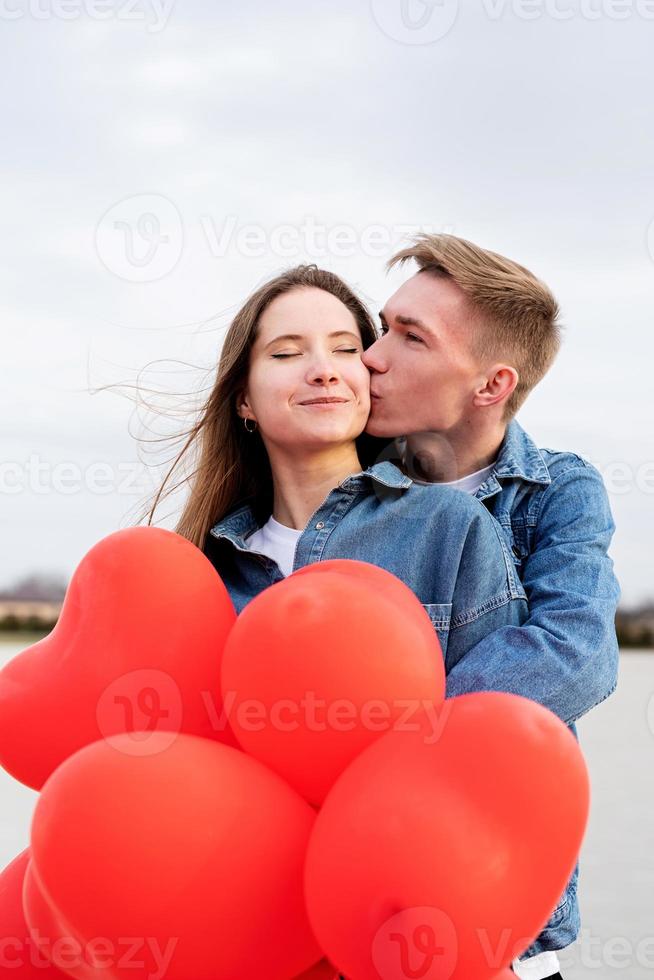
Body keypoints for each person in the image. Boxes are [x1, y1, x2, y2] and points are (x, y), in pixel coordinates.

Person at [361, 233, 621, 980]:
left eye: (410, 338)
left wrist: (375, 743)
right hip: (350, 905)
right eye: (384, 326)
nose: (372, 356)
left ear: (490, 385)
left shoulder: (560, 493)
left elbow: (578, 655)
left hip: (503, 919)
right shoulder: (340, 482)